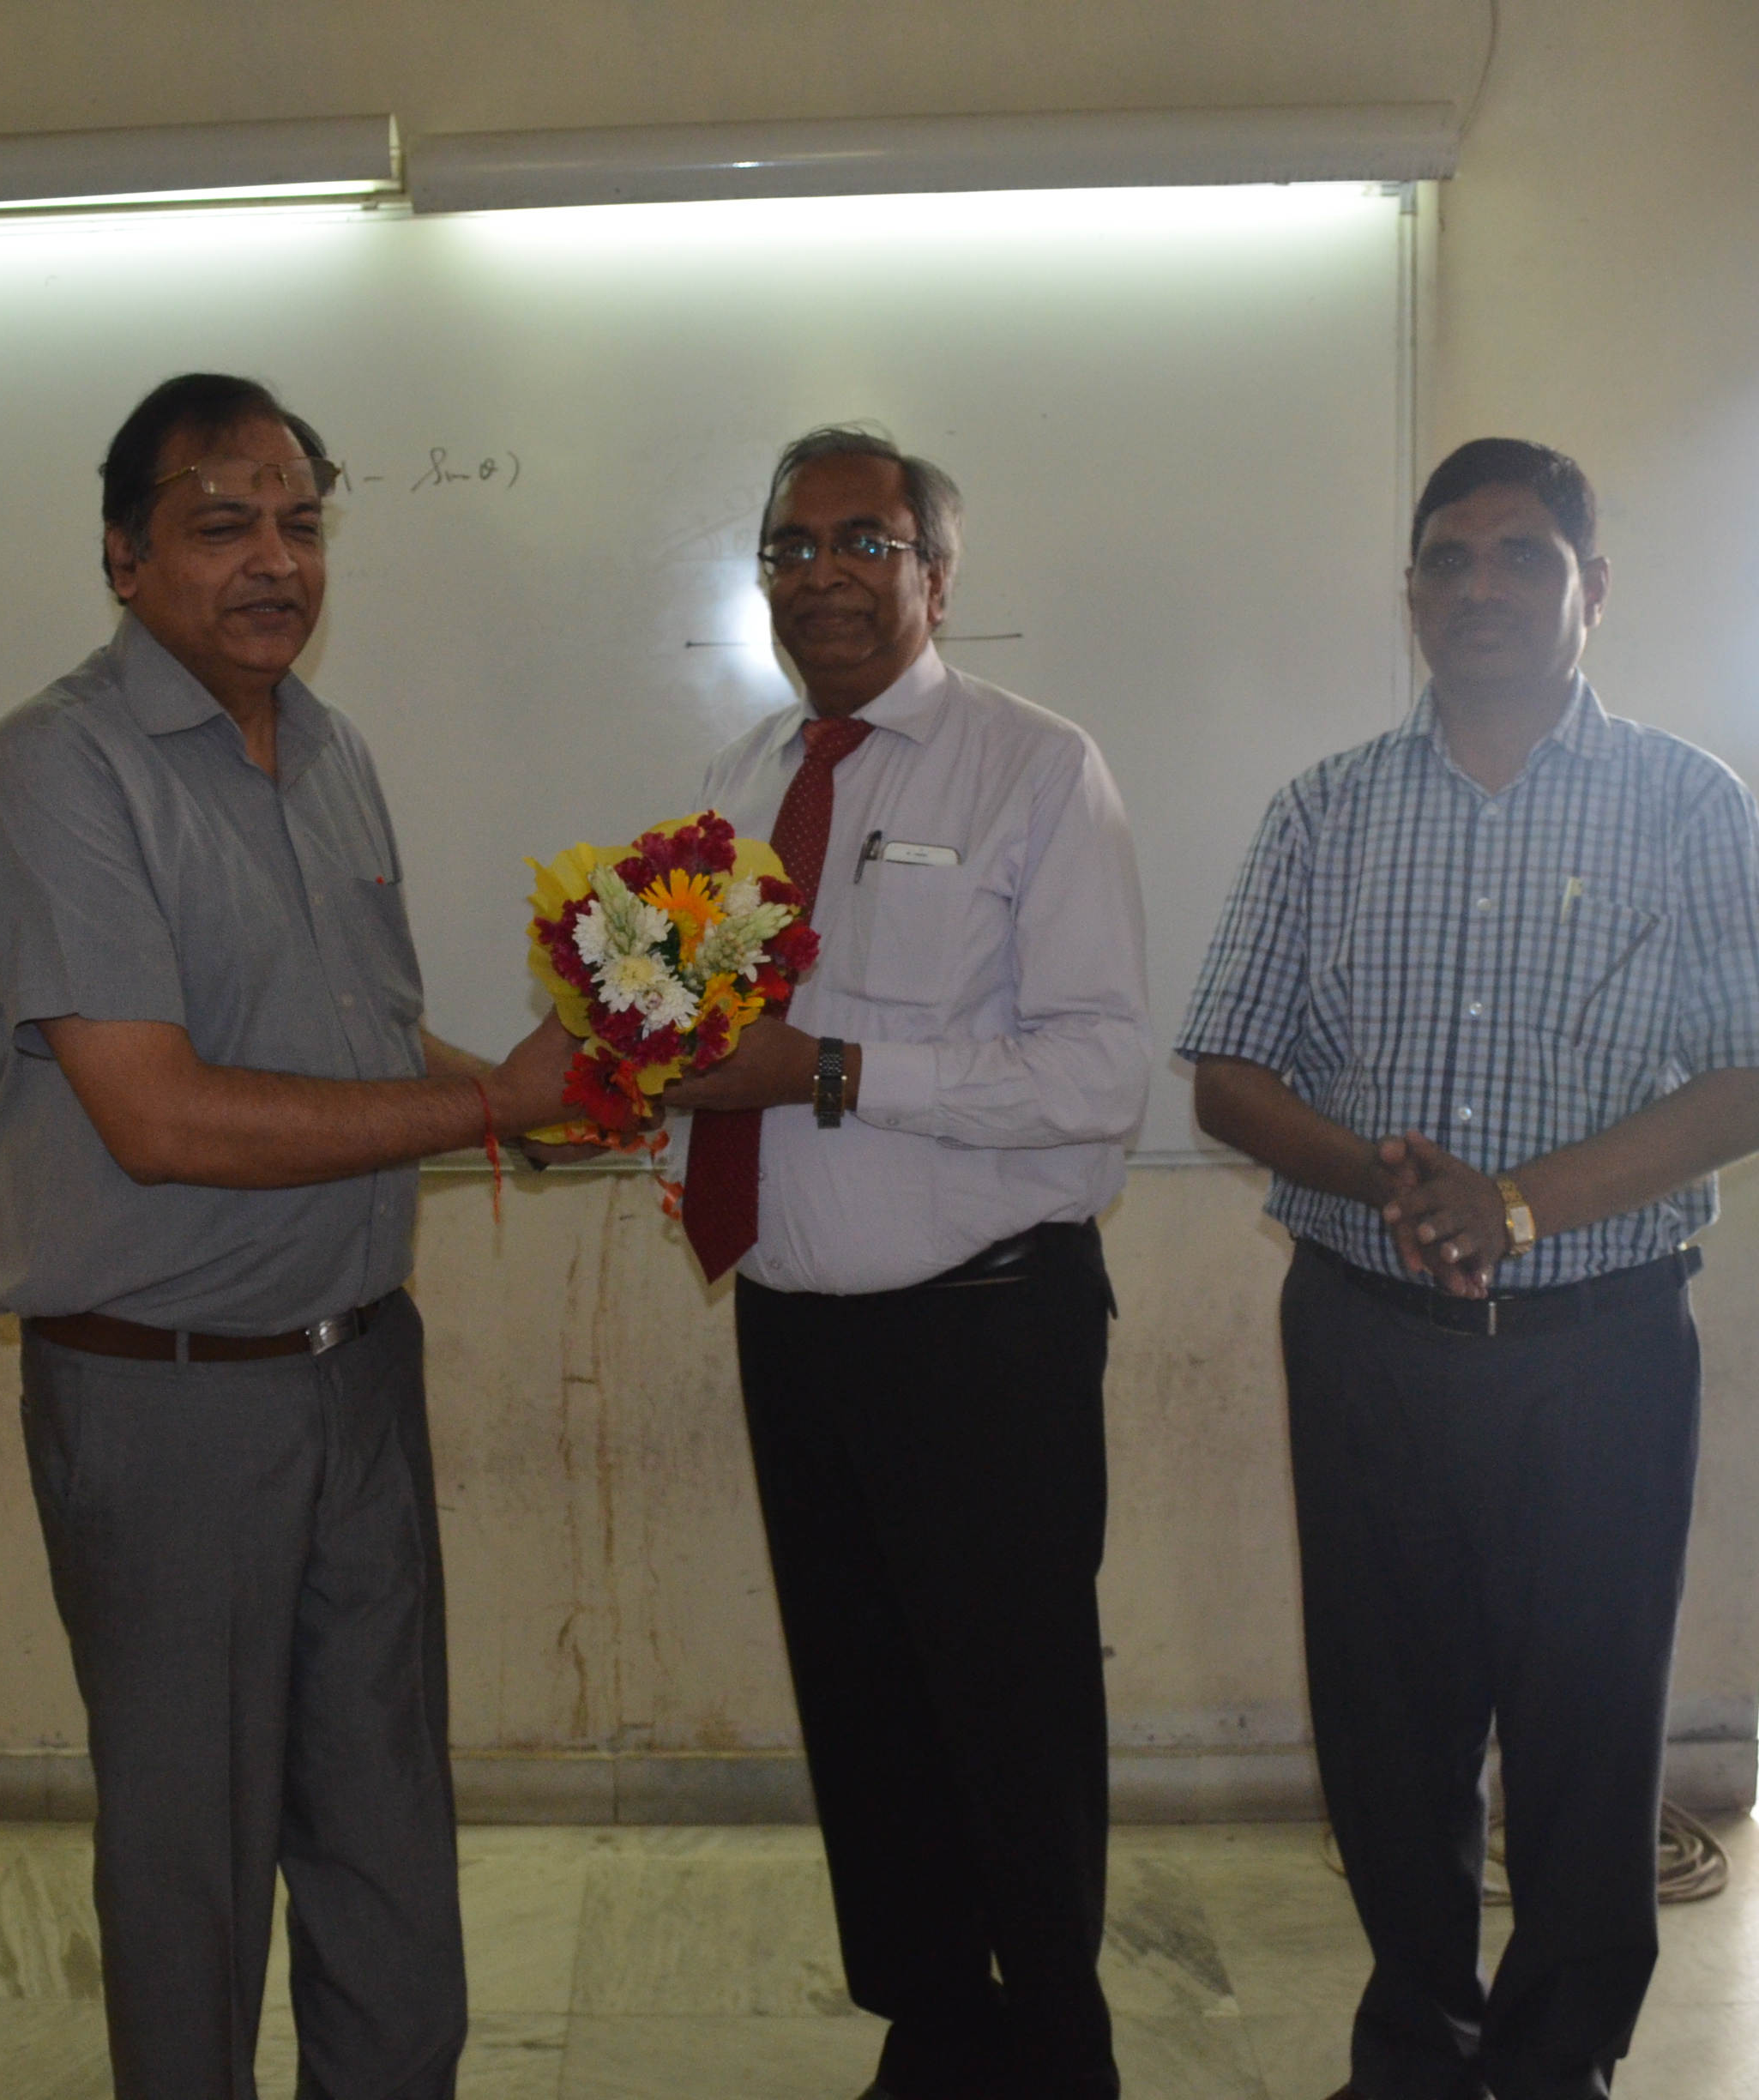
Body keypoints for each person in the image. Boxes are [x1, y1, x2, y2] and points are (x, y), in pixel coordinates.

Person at [0, 371, 575, 2099]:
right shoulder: (55, 772)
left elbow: (364, 1047)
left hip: (358, 1371)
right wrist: (484, 1115)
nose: (274, 560)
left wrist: (543, 1094)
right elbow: (156, 1116)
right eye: (223, 524)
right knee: (192, 1874)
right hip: (167, 1404)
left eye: (301, 522)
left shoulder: (332, 751)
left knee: (388, 1840)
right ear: (123, 556)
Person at [1178, 438, 1759, 2100]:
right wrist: (1391, 1187)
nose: (1481, 589)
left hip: (1602, 1351)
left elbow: (1753, 1080)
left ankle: (1553, 2065)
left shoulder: (1688, 803)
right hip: (1367, 1343)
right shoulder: (1323, 811)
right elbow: (1227, 1076)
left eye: (1522, 556)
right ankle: (1416, 2046)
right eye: (1448, 560)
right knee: (1387, 1732)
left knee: (1587, 1731)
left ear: (1591, 588)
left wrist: (1513, 1204)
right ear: (1410, 595)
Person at [658, 425, 1154, 2100]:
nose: (823, 578)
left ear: (937, 575)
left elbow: (1097, 1078)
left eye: (863, 542)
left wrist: (829, 1070)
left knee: (1012, 1724)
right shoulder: (740, 779)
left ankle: (1061, 2052)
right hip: (793, 1333)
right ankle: (935, 2033)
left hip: (984, 1337)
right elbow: (719, 1034)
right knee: (863, 1721)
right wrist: (644, 1083)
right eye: (790, 550)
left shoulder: (1035, 769)